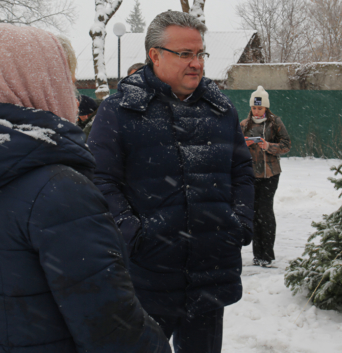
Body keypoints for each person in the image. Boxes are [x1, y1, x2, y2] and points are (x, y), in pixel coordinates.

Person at [0, 24, 170, 353]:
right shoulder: (56, 188)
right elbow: (112, 326)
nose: (69, 92)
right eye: (63, 79)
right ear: (44, 82)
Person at [87, 11, 254, 353]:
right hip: (147, 276)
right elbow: (99, 180)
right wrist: (134, 234)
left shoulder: (220, 110)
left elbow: (241, 172)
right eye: (185, 54)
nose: (196, 63)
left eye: (200, 54)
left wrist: (238, 224)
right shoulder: (119, 111)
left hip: (211, 273)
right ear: (155, 55)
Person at [240, 86, 290, 267]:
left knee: (265, 211)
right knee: (253, 212)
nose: (256, 111)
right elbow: (235, 148)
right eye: (254, 107)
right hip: (251, 175)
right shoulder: (244, 125)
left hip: (270, 175)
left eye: (260, 108)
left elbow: (286, 145)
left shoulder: (275, 123)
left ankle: (267, 254)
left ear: (266, 108)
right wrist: (243, 145)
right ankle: (257, 255)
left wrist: (269, 146)